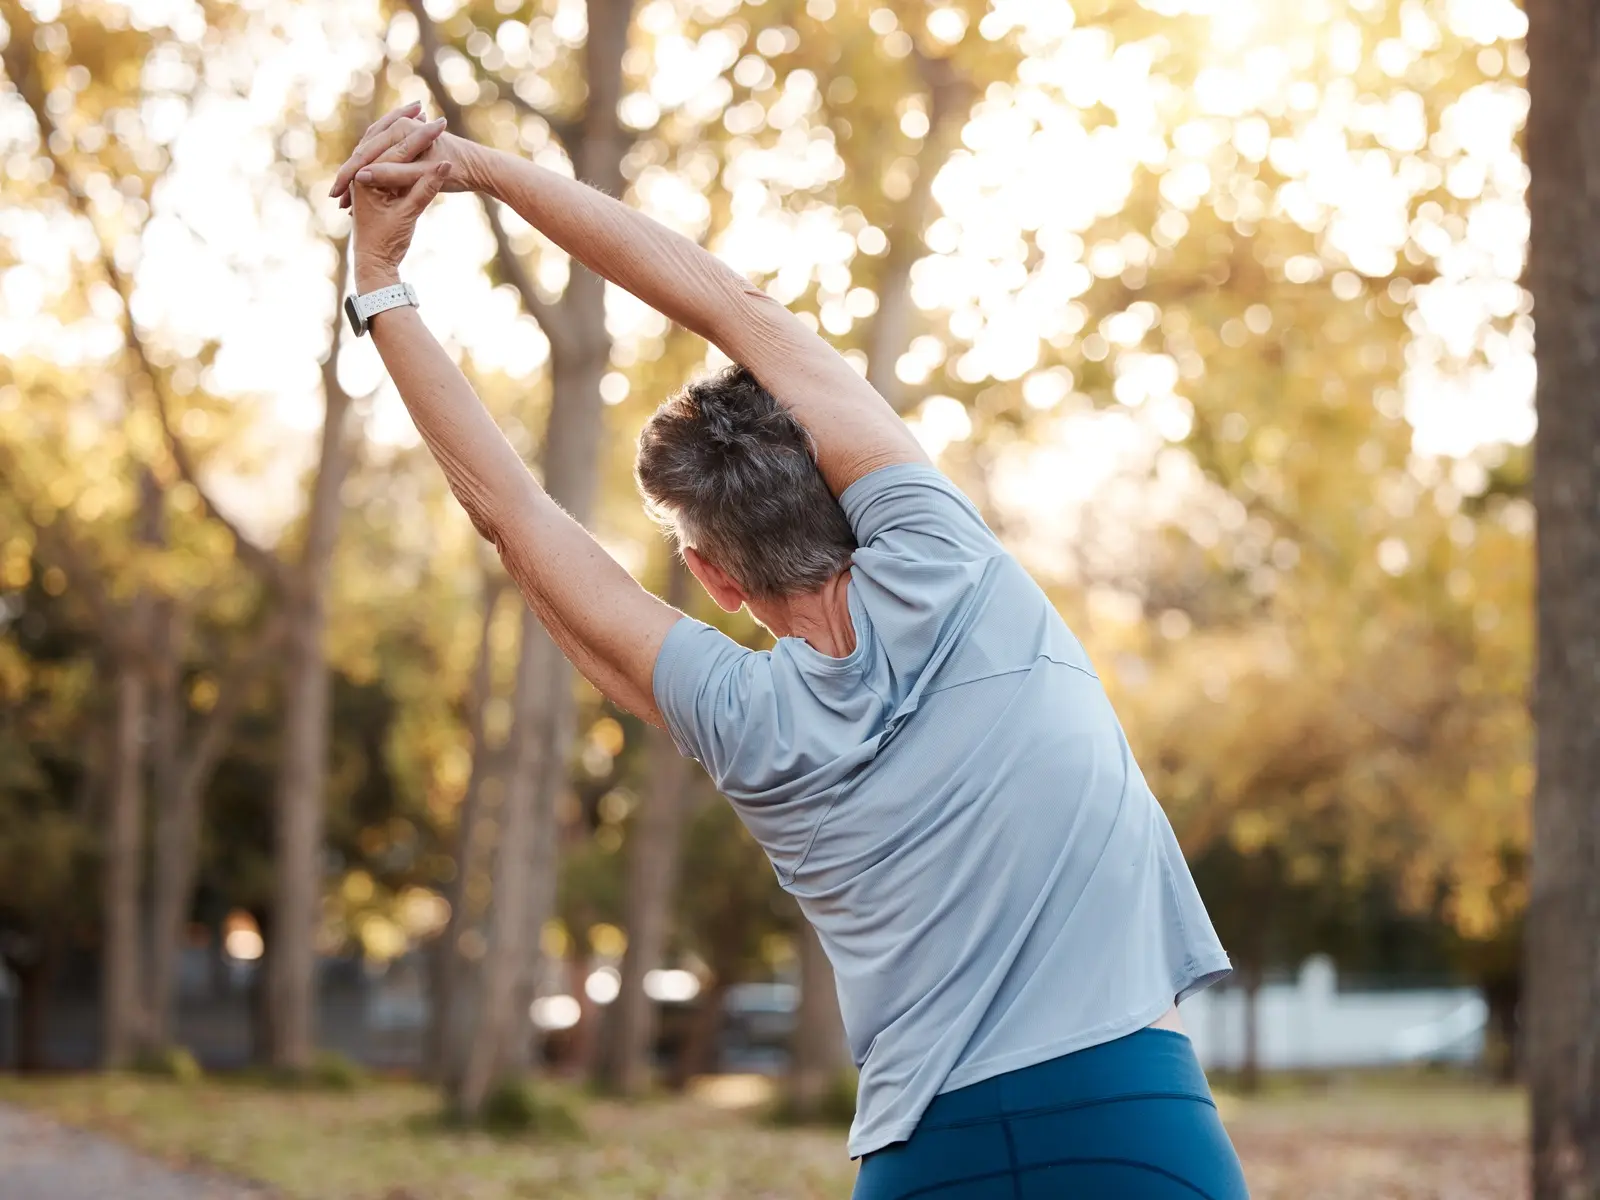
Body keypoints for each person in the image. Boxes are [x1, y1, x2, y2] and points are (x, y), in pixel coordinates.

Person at [330, 104, 1249, 1200]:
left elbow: (514, 517)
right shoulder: (949, 563)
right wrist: (476, 165)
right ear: (850, 491)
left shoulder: (743, 718)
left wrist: (380, 281)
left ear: (715, 581)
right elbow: (729, 305)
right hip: (1131, 1131)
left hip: (925, 1157)